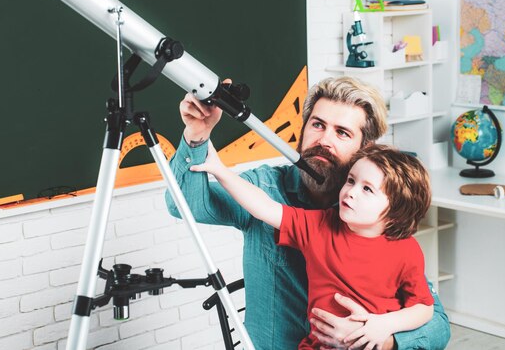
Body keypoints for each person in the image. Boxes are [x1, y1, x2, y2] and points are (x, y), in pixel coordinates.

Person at [165, 76, 451, 349]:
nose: (324, 140)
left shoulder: (381, 224)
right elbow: (181, 204)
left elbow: (435, 322)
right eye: (317, 125)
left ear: (365, 150)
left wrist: (380, 338)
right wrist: (197, 137)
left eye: (342, 132)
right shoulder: (264, 186)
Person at [190, 142, 435, 350]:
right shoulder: (320, 226)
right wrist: (220, 171)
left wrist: (384, 326)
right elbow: (264, 207)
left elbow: (424, 308)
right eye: (351, 181)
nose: (351, 192)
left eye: (367, 189)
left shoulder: (406, 250)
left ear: (395, 212)